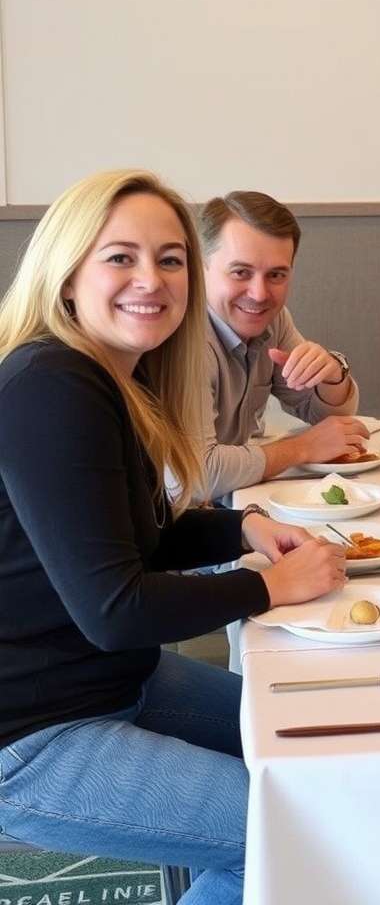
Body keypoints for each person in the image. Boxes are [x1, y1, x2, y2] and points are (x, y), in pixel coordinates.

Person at [0, 170, 347, 904]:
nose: (150, 280)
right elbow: (116, 609)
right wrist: (267, 585)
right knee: (300, 834)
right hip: (31, 729)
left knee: (314, 754)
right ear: (68, 275)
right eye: (120, 257)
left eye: (169, 259)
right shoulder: (51, 385)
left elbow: (139, 535)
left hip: (110, 681)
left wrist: (243, 524)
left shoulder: (111, 376)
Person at [199, 190, 368, 502]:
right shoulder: (184, 340)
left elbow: (329, 419)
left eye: (276, 275)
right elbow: (199, 474)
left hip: (228, 504)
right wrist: (302, 448)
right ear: (201, 268)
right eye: (241, 272)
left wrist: (333, 374)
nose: (259, 294)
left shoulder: (273, 320)